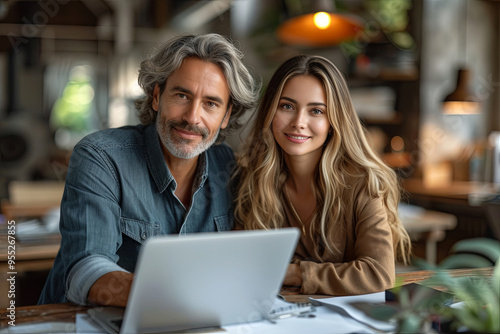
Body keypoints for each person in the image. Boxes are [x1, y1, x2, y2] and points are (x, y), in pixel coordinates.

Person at [39, 33, 259, 306]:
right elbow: (85, 268)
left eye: (211, 104)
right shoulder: (100, 156)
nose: (192, 117)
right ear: (157, 97)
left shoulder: (227, 166)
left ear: (226, 116)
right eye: (181, 95)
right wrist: (176, 298)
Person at [233, 55, 411, 296]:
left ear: (333, 121)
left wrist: (296, 273)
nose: (299, 122)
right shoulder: (251, 179)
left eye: (316, 111)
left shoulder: (362, 182)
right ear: (270, 111)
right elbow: (241, 266)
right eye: (287, 106)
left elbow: (379, 274)